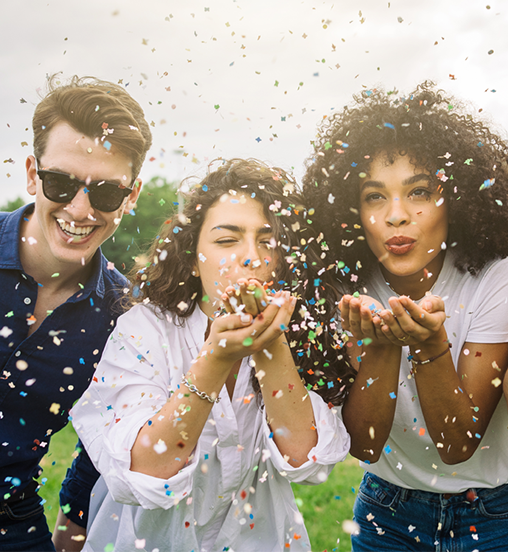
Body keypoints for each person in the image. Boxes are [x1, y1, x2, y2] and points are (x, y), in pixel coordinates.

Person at [70, 158, 352, 552]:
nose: (251, 257)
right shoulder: (144, 329)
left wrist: (270, 343)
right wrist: (215, 360)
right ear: (191, 254)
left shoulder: (303, 331)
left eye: (267, 241)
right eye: (226, 240)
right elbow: (147, 470)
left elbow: (306, 461)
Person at [302, 82, 508, 551]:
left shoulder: (497, 280)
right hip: (386, 515)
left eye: (419, 191)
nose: (397, 215)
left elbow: (457, 445)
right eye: (374, 196)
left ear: (455, 198)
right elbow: (365, 446)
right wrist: (382, 345)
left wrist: (430, 346)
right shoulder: (345, 287)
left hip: (495, 515)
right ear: (353, 210)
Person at [0, 74, 152, 552]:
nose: (81, 209)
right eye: (61, 183)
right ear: (32, 173)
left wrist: (73, 536)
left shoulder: (125, 320)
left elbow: (96, 453)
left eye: (106, 193)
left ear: (132, 197)